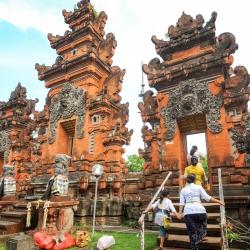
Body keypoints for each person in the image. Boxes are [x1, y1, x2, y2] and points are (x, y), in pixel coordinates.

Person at [179, 174, 224, 250]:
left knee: (192, 232)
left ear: (186, 180)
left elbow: (181, 203)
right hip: (200, 211)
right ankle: (201, 236)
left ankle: (195, 246)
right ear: (195, 180)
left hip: (188, 212)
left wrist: (180, 213)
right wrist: (219, 201)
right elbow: (207, 198)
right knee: (202, 225)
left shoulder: (183, 190)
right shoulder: (199, 187)